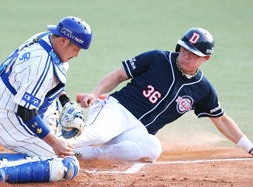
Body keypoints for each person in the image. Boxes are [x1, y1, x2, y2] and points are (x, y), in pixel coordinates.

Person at [69, 27, 253, 162]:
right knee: (98, 135)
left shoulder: (202, 88)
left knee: (152, 148)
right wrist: (95, 93)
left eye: (193, 53)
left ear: (206, 58)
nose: (186, 55)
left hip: (136, 131)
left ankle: (87, 154)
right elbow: (118, 75)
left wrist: (249, 148)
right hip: (116, 110)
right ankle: (49, 146)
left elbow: (221, 120)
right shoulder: (158, 58)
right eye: (184, 49)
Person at [0, 16, 92, 184]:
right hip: (4, 119)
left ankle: (18, 157)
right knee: (67, 164)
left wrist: (66, 101)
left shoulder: (46, 40)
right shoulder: (40, 64)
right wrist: (54, 142)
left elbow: (49, 84)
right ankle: (1, 168)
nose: (77, 54)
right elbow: (25, 112)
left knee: (52, 121)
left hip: (1, 101)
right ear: (63, 41)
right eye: (76, 48)